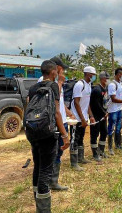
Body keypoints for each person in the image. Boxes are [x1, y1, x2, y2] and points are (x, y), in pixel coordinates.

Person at [27, 60, 70, 212]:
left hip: (33, 132)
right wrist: (64, 135)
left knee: (37, 167)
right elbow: (57, 113)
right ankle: (44, 210)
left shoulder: (33, 88)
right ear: (53, 72)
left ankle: (37, 200)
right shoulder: (53, 86)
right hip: (47, 133)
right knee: (45, 170)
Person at [38, 56, 72, 189]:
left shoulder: (57, 81)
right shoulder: (44, 81)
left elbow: (59, 102)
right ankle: (50, 181)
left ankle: (53, 179)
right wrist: (60, 83)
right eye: (61, 68)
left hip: (62, 120)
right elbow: (52, 98)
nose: (63, 70)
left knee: (58, 151)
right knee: (51, 151)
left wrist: (68, 112)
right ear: (55, 68)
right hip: (53, 122)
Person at [70, 66, 97, 169]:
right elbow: (76, 102)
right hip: (77, 118)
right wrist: (81, 119)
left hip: (84, 117)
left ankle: (80, 158)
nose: (94, 77)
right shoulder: (79, 85)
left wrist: (91, 116)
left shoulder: (88, 85)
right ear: (88, 74)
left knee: (80, 138)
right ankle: (74, 163)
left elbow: (87, 103)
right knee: (74, 139)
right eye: (93, 75)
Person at [89, 71, 110, 162]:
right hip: (96, 115)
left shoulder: (104, 89)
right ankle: (95, 153)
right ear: (102, 79)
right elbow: (96, 104)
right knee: (94, 134)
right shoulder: (97, 90)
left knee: (104, 132)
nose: (108, 80)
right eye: (107, 78)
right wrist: (103, 113)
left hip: (103, 115)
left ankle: (101, 150)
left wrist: (106, 112)